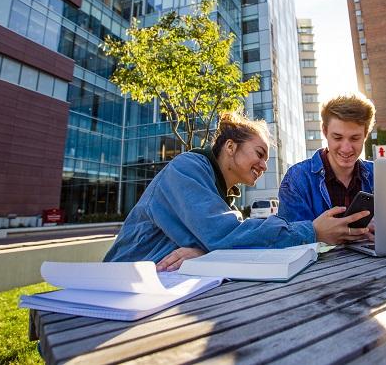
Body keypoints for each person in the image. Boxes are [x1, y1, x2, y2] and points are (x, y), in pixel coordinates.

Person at [104, 112, 370, 271]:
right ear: (230, 147)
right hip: (119, 284)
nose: (264, 165)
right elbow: (225, 235)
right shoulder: (187, 168)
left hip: (158, 289)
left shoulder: (223, 199)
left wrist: (207, 251)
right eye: (259, 153)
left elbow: (222, 240)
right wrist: (311, 231)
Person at [278, 92, 375, 222]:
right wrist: (318, 233)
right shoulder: (296, 179)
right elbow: (290, 238)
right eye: (337, 137)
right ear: (324, 131)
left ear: (366, 134)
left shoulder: (379, 174)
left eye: (355, 138)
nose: (346, 148)